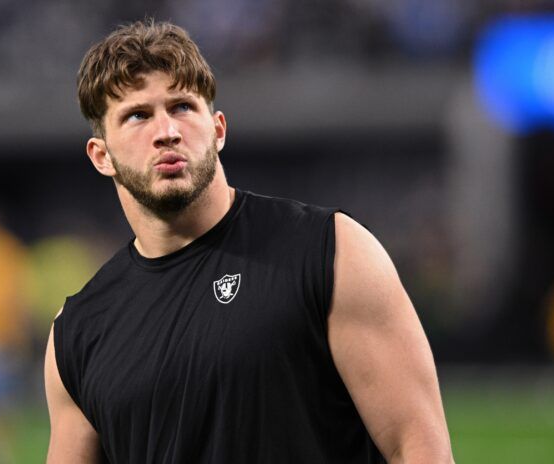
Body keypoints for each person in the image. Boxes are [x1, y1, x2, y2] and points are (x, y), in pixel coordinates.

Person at [44, 20, 454, 464]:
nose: (167, 131)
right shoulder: (80, 329)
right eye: (138, 115)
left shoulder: (330, 251)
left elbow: (418, 446)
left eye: (182, 107)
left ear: (218, 129)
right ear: (101, 156)